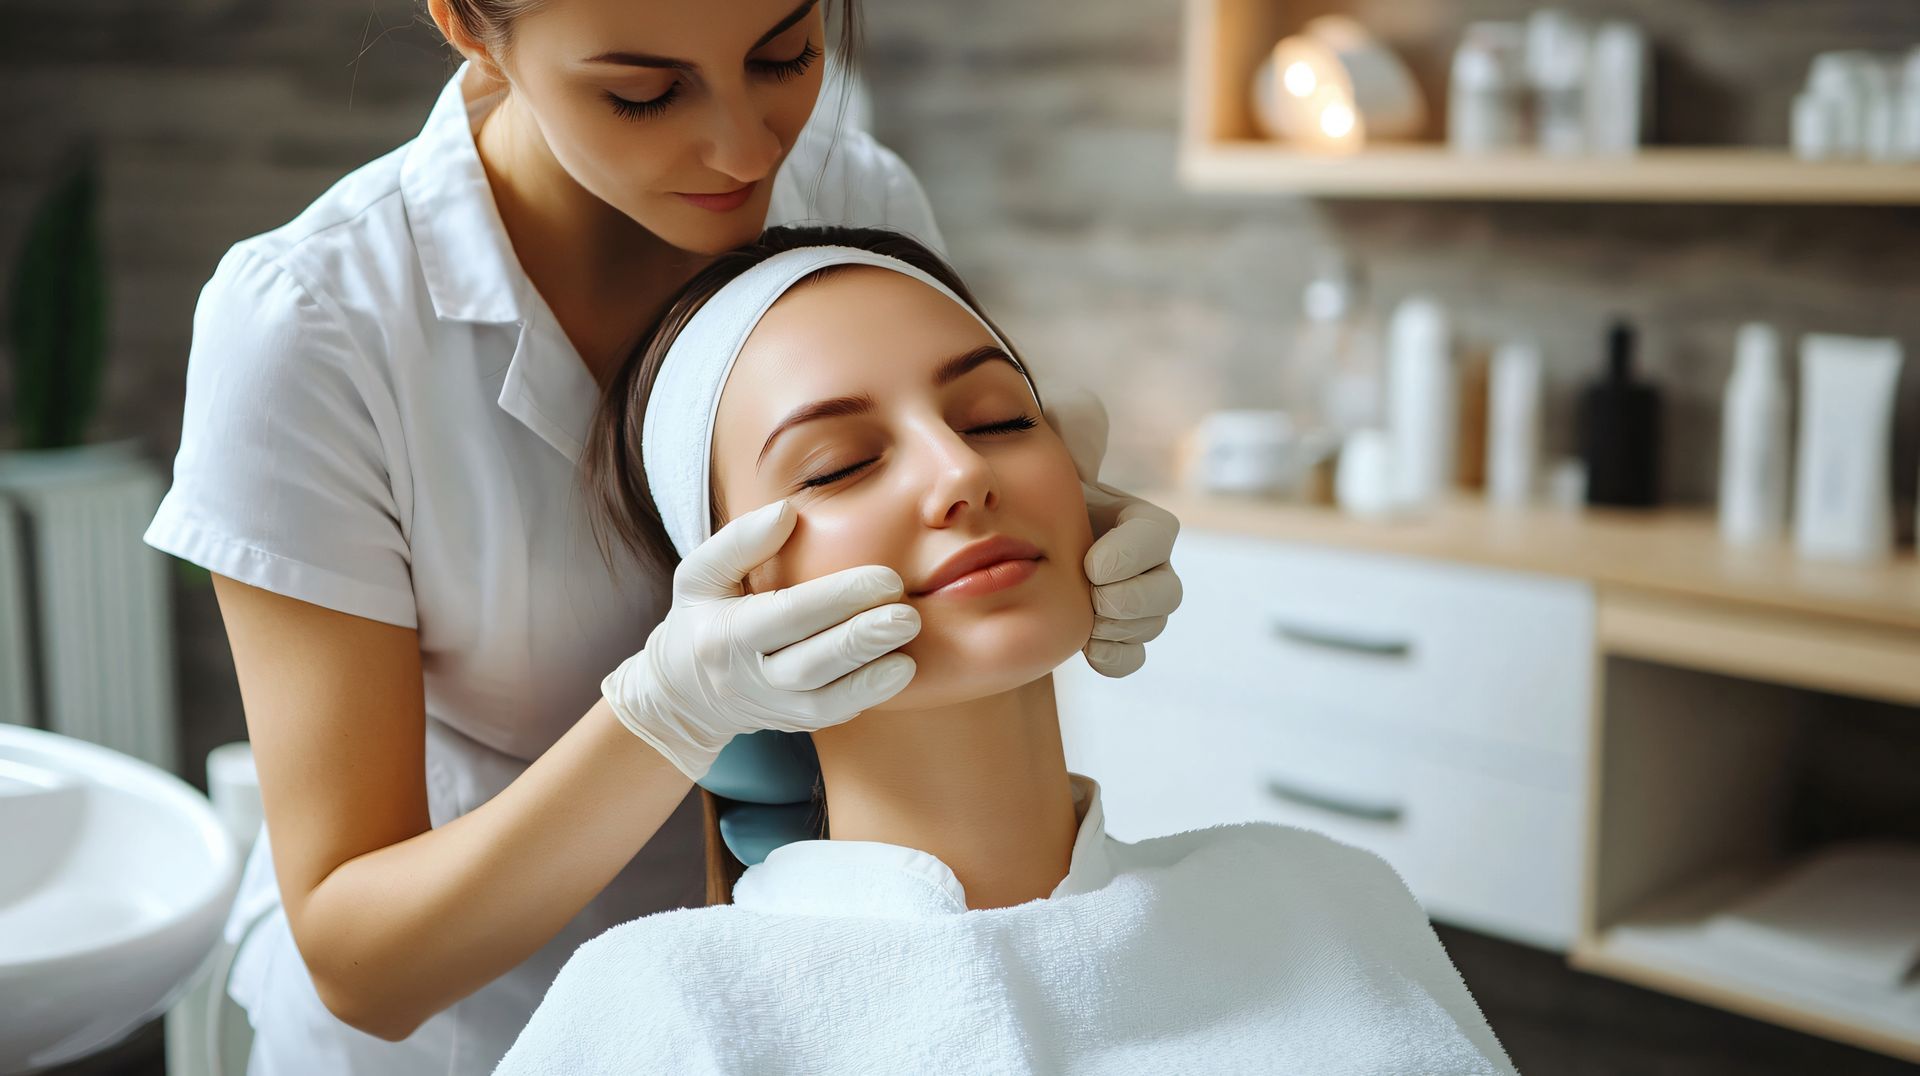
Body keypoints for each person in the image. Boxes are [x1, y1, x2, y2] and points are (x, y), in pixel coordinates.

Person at [142, 3, 1182, 1072]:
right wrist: (669, 712)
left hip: (808, 989)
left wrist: (1037, 502)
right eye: (641, 92)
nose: (746, 147)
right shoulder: (316, 326)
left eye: (785, 55)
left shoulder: (855, 193)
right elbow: (361, 963)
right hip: (487, 1026)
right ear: (468, 23)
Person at [494, 226, 1519, 1075]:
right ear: (736, 596)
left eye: (998, 416)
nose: (959, 472)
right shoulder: (668, 1008)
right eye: (840, 463)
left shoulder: (1321, 901)